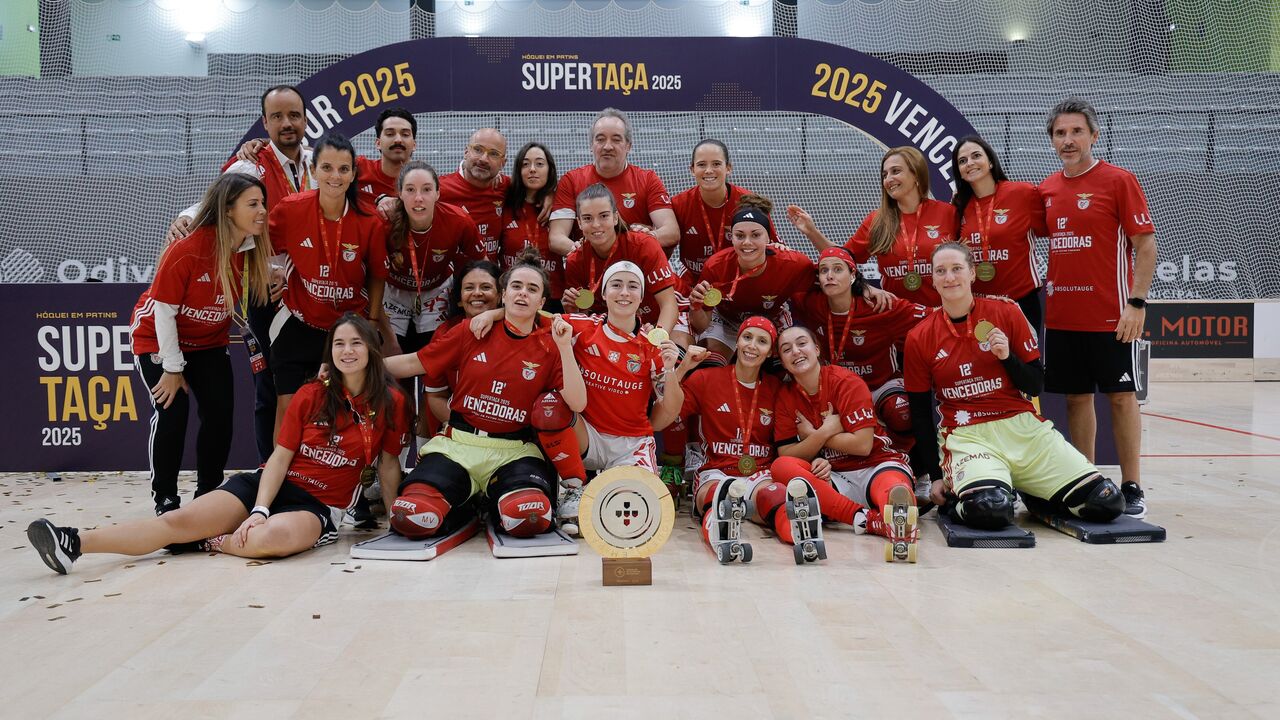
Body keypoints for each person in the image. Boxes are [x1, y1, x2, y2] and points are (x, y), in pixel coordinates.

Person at [27, 314, 408, 575]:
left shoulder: (392, 403)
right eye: (339, 344)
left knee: (273, 539)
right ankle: (73, 542)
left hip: (318, 505)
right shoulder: (311, 394)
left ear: (372, 351)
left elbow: (389, 465)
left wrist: (395, 522)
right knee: (175, 522)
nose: (346, 351)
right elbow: (280, 457)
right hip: (267, 485)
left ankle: (209, 541)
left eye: (356, 343)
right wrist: (259, 508)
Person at [904, 242, 1124, 531]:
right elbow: (920, 414)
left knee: (1107, 501)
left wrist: (1007, 357)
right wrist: (935, 476)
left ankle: (1036, 494)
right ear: (932, 279)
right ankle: (960, 500)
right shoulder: (919, 336)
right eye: (941, 271)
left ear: (972, 273)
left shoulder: (1006, 312)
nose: (949, 277)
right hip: (969, 436)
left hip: (1023, 429)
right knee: (990, 509)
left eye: (957, 268)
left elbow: (1035, 384)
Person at [381, 257, 587, 542]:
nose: (522, 293)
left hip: (514, 450)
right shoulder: (472, 330)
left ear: (541, 302)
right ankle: (463, 505)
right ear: (504, 295)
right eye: (516, 286)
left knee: (529, 516)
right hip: (459, 444)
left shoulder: (551, 344)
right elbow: (414, 362)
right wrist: (357, 368)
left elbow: (577, 404)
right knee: (412, 514)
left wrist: (564, 348)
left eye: (532, 289)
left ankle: (489, 504)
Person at [167, 84, 315, 464]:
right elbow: (215, 200)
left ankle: (315, 471)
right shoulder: (249, 165)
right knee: (269, 384)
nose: (286, 123)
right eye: (277, 116)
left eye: (294, 115)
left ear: (305, 119)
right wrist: (185, 218)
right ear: (264, 122)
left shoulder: (318, 163)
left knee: (314, 384)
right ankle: (269, 471)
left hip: (312, 290)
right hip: (264, 290)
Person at [654, 318, 857, 564]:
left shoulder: (778, 389)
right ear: (737, 341)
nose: (752, 346)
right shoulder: (705, 379)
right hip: (716, 472)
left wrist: (818, 459)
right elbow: (664, 415)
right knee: (717, 496)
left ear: (770, 351)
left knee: (775, 496)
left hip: (760, 473)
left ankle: (801, 535)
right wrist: (682, 369)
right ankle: (721, 530)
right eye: (747, 337)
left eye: (762, 341)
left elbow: (792, 440)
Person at [1039, 98, 1156, 518]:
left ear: (1094, 135)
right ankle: (1087, 480)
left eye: (1076, 132)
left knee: (1121, 399)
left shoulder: (1118, 180)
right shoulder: (1046, 189)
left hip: (1112, 317)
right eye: (1060, 133)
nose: (1068, 140)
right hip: (1063, 318)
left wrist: (1136, 303)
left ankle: (1132, 485)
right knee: (1076, 399)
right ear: (1052, 141)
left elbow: (1145, 245)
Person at [129, 173, 273, 515]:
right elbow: (163, 313)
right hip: (158, 337)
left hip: (208, 342)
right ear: (228, 210)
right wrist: (172, 368)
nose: (262, 211)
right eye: (253, 204)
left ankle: (208, 496)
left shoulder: (251, 248)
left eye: (263, 203)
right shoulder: (188, 248)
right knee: (172, 410)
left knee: (220, 414)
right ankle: (166, 500)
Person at [267, 134, 388, 441]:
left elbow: (377, 275)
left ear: (353, 174)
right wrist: (273, 271)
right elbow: (259, 245)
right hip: (299, 323)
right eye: (327, 168)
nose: (335, 176)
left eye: (344, 169)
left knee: (346, 411)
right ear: (314, 170)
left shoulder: (369, 220)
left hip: (347, 329)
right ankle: (278, 469)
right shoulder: (290, 209)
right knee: (289, 409)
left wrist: (373, 322)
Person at [773, 325, 919, 556]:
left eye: (802, 343)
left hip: (876, 464)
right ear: (782, 361)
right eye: (786, 349)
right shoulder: (786, 396)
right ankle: (865, 519)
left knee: (893, 488)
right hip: (835, 476)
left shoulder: (845, 381)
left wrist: (812, 436)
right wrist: (822, 433)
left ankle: (898, 518)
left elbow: (863, 445)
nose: (796, 351)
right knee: (781, 466)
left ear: (816, 349)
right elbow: (787, 453)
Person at [790, 247, 927, 456]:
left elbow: (932, 316)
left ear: (853, 275)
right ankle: (838, 463)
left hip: (880, 384)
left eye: (838, 269)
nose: (829, 275)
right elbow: (783, 278)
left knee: (900, 412)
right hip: (838, 389)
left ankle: (901, 458)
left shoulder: (880, 305)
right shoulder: (811, 304)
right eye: (824, 270)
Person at [790, 146, 957, 307]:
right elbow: (842, 257)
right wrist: (812, 232)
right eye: (885, 175)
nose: (888, 179)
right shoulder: (877, 220)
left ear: (916, 175)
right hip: (898, 315)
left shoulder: (948, 213)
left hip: (944, 312)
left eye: (896, 171)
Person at [689, 195, 815, 366]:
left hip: (771, 319)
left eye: (755, 235)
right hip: (727, 320)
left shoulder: (793, 263)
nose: (747, 242)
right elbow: (700, 326)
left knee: (782, 369)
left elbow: (835, 270)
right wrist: (695, 306)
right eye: (740, 235)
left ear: (768, 238)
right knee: (711, 364)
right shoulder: (715, 266)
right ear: (731, 237)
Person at [377, 160, 484, 357]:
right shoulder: (383, 224)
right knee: (390, 357)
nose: (419, 198)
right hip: (393, 292)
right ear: (399, 193)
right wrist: (389, 338)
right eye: (410, 190)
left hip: (436, 289)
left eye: (426, 190)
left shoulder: (459, 221)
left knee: (434, 357)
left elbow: (482, 267)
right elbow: (371, 279)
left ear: (438, 193)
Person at [951, 135, 1048, 332]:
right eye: (962, 161)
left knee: (1021, 354)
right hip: (977, 307)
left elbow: (1049, 230)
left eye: (976, 156)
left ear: (990, 161)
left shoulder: (1023, 193)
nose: (969, 163)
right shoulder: (959, 205)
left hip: (1020, 303)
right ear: (959, 172)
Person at [548, 108, 678, 252]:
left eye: (616, 140)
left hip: (635, 262)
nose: (607, 146)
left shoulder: (648, 180)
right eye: (600, 139)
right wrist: (583, 251)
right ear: (591, 145)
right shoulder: (571, 181)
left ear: (628, 146)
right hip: (589, 262)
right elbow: (556, 238)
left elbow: (671, 231)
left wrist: (646, 237)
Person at [561, 183, 679, 333]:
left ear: (615, 217)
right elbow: (585, 319)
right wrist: (573, 310)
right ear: (579, 223)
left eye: (604, 216)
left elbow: (669, 306)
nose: (596, 224)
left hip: (660, 319)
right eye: (587, 218)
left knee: (676, 344)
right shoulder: (575, 261)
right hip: (616, 327)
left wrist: (656, 340)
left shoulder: (644, 245)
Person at [670, 139, 771, 281]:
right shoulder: (678, 204)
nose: (709, 170)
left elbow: (772, 246)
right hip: (693, 284)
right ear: (692, 170)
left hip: (739, 281)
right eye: (701, 164)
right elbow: (661, 250)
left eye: (716, 164)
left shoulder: (749, 202)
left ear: (728, 168)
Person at [499, 141, 565, 313]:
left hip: (552, 298)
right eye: (525, 164)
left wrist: (553, 194)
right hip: (515, 298)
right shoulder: (505, 204)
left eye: (540, 164)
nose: (533, 169)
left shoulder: (561, 205)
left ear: (550, 169)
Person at [438, 128, 510, 261]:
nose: (484, 159)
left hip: (488, 273)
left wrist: (548, 197)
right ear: (466, 152)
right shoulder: (438, 189)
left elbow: (540, 189)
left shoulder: (506, 187)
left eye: (494, 154)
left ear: (503, 163)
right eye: (478, 149)